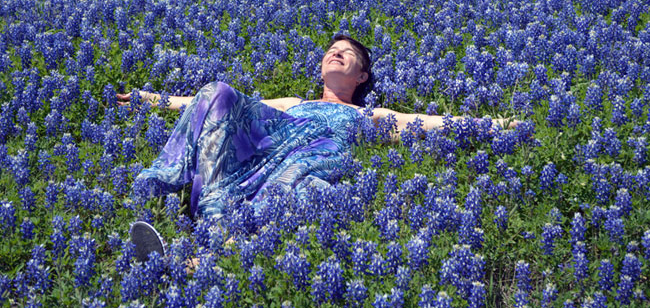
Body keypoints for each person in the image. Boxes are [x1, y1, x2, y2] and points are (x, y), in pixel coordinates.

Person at [118, 35, 518, 261]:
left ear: (361, 76)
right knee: (220, 90)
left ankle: (200, 258)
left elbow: (430, 124)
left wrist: (501, 127)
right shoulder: (295, 104)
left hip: (309, 161)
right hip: (266, 150)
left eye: (347, 53)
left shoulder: (370, 115)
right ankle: (164, 193)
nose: (336, 52)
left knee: (301, 186)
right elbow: (215, 104)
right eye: (331, 49)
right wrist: (152, 98)